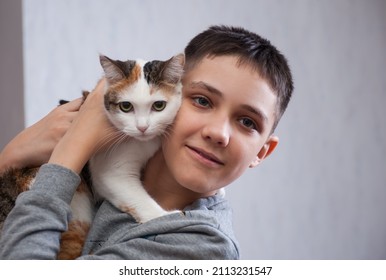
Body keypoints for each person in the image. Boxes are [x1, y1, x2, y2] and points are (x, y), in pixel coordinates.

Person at [0, 25, 293, 259]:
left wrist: (71, 148)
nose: (218, 133)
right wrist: (9, 160)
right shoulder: (117, 162)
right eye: (202, 101)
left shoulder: (201, 248)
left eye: (247, 122)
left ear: (262, 152)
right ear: (172, 92)